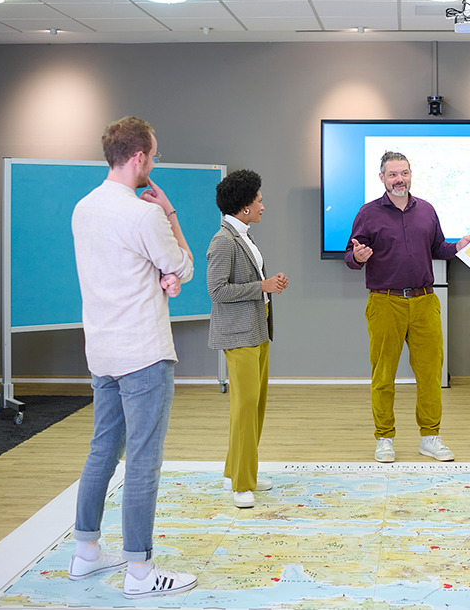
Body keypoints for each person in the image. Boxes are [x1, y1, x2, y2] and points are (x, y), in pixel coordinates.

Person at [69, 116, 198, 599]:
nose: (155, 162)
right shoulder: (143, 214)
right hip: (143, 350)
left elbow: (127, 267)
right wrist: (170, 215)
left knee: (102, 449)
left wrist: (162, 276)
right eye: (155, 154)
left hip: (101, 349)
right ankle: (140, 573)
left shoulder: (83, 208)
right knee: (143, 459)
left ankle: (86, 553)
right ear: (140, 157)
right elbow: (181, 263)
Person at [344, 150, 470, 463]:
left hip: (425, 301)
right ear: (382, 178)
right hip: (385, 302)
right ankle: (384, 438)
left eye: (404, 173)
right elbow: (350, 256)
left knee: (430, 373)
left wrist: (459, 246)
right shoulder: (368, 213)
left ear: (410, 175)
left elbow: (438, 249)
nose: (399, 179)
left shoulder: (427, 211)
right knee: (383, 374)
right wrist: (357, 257)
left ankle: (430, 437)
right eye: (393, 174)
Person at [207, 169, 288, 509]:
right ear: (243, 207)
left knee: (254, 407)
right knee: (244, 409)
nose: (262, 206)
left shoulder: (243, 236)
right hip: (239, 335)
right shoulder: (223, 241)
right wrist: (263, 287)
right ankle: (241, 483)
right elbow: (217, 290)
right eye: (258, 200)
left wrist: (268, 285)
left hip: (257, 330)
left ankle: (244, 473)